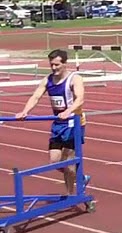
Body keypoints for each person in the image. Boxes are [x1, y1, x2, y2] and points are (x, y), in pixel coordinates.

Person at [16, 49, 87, 196]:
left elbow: (80, 99)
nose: (54, 68)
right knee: (54, 161)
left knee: (69, 160)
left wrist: (69, 111)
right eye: (51, 65)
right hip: (58, 123)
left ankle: (70, 194)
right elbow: (35, 97)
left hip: (74, 124)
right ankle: (80, 178)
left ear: (65, 64)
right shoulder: (47, 80)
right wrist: (25, 111)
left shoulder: (75, 79)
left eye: (57, 65)